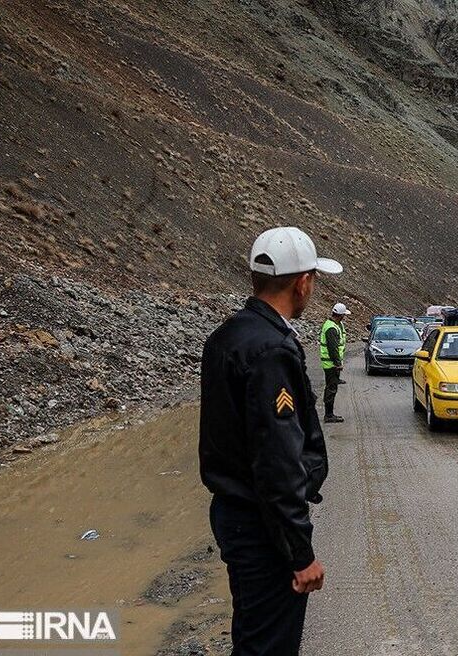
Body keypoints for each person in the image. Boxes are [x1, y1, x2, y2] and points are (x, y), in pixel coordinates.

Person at [199, 226, 341, 654]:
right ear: (302, 283)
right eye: (313, 280)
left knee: (252, 634)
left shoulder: (226, 337)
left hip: (233, 513)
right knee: (270, 645)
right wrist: (300, 553)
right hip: (261, 527)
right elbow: (276, 461)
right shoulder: (272, 350)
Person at [319, 302, 350, 422]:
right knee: (331, 388)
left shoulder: (331, 325)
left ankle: (329, 414)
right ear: (340, 315)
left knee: (331, 387)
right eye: (344, 315)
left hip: (330, 363)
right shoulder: (331, 328)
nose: (344, 317)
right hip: (331, 364)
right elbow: (333, 348)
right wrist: (338, 363)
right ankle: (329, 415)